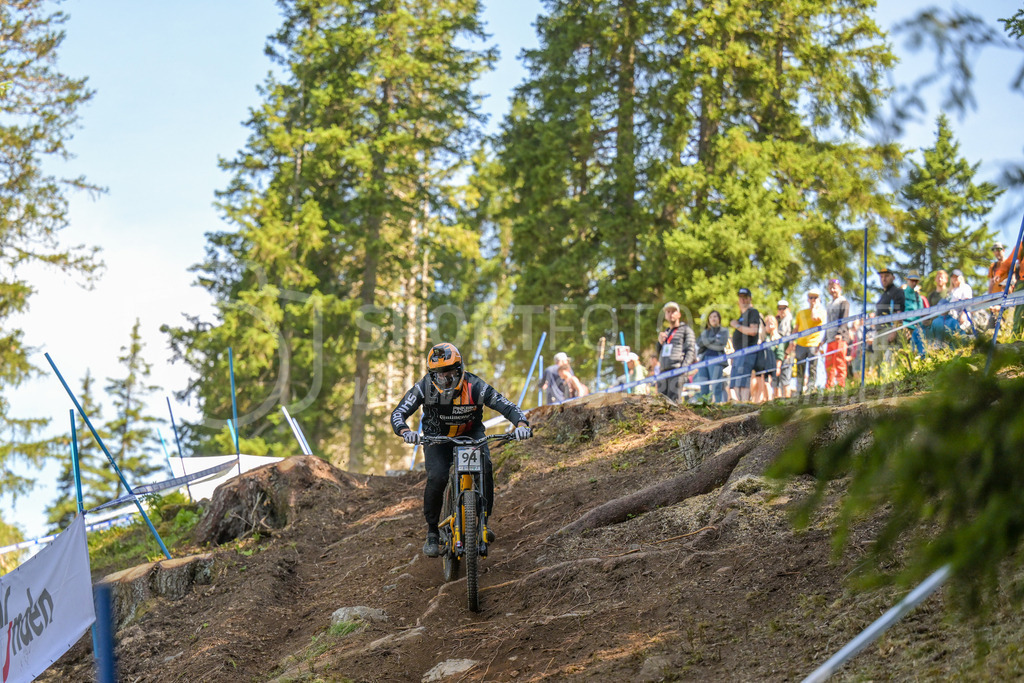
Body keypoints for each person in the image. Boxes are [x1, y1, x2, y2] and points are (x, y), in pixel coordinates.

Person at [391, 343, 532, 557]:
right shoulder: (424, 387)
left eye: (450, 373)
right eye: (439, 375)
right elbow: (398, 413)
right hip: (437, 438)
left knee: (485, 468)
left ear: (460, 369)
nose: (445, 379)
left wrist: (521, 425)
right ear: (432, 375)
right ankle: (432, 532)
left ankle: (483, 521)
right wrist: (404, 431)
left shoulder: (476, 386)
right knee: (437, 476)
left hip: (471, 435)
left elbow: (508, 406)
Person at [656, 301, 697, 402]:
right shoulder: (665, 333)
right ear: (665, 315)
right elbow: (659, 352)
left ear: (679, 314)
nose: (670, 314)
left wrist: (683, 369)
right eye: (668, 312)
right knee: (661, 402)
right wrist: (659, 342)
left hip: (677, 370)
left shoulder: (686, 330)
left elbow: (691, 351)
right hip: (663, 371)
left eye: (673, 311)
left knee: (674, 402)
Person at [788, 290, 826, 397]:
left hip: (814, 344)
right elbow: (796, 328)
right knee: (800, 369)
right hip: (800, 344)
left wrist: (814, 308)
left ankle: (810, 390)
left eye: (815, 298)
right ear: (808, 299)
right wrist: (792, 341)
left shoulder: (822, 312)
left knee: (812, 369)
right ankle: (799, 391)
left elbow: (815, 318)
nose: (813, 300)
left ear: (819, 299)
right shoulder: (801, 313)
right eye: (811, 298)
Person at [728, 288, 762, 402]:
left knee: (742, 382)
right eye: (740, 297)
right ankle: (738, 405)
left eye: (745, 297)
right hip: (738, 353)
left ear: (750, 298)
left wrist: (736, 325)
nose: (742, 300)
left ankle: (744, 404)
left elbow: (753, 331)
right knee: (735, 383)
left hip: (747, 352)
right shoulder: (742, 315)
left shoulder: (753, 312)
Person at [693, 310, 729, 403]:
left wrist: (706, 341)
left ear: (719, 318)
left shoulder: (724, 331)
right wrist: (713, 339)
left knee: (716, 386)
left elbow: (721, 343)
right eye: (710, 317)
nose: (713, 319)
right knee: (704, 386)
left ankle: (718, 404)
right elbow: (699, 343)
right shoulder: (705, 332)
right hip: (704, 360)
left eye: (715, 316)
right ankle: (704, 406)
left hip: (717, 359)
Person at [932, 268, 974, 343]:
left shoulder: (965, 287)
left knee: (960, 336)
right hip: (951, 317)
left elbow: (967, 302)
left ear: (960, 277)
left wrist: (964, 314)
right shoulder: (951, 291)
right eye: (953, 277)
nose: (954, 279)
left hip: (962, 315)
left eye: (956, 276)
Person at [874, 266, 906, 365]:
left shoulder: (897, 292)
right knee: (878, 362)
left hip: (889, 330)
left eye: (886, 276)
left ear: (893, 277)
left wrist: (894, 331)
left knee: (890, 361)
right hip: (879, 331)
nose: (884, 279)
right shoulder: (883, 295)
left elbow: (899, 313)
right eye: (881, 277)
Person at [903, 270, 926, 357]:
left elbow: (921, 313)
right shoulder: (902, 294)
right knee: (904, 352)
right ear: (907, 280)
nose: (914, 283)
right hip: (904, 327)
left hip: (916, 329)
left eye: (916, 281)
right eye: (912, 280)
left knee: (916, 353)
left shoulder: (918, 297)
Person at [774, 299, 794, 398]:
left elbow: (794, 340)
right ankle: (777, 402)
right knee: (776, 382)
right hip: (777, 355)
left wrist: (787, 353)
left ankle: (787, 401)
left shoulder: (791, 321)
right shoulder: (777, 321)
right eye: (780, 308)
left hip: (787, 355)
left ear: (788, 309)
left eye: (784, 308)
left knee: (786, 380)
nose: (782, 310)